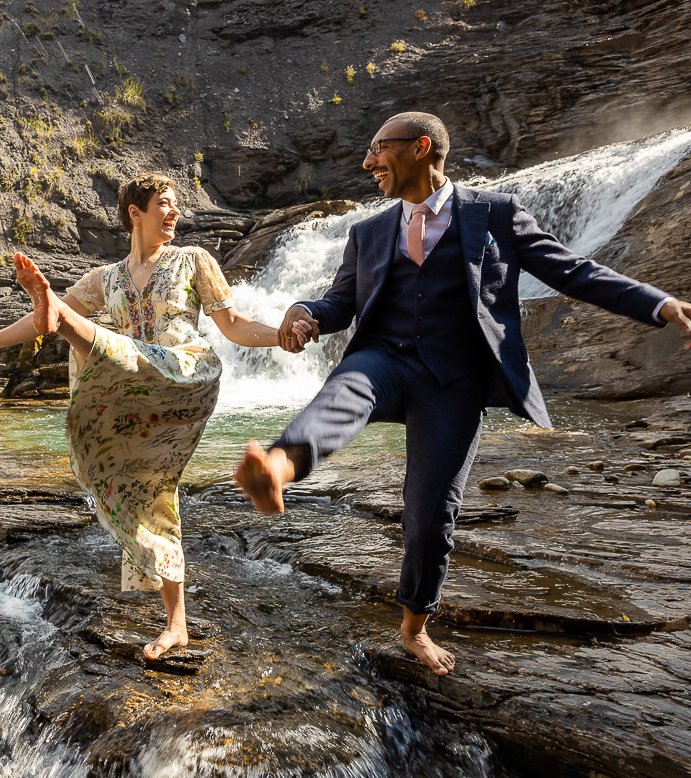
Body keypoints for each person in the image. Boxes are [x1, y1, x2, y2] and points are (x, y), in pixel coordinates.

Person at [235, 111, 691, 676]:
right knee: (344, 393)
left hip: (455, 382)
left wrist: (658, 303)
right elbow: (339, 304)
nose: (367, 161)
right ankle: (277, 469)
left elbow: (572, 271)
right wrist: (303, 314)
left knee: (429, 517)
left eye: (379, 148)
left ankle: (415, 626)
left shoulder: (495, 213)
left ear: (421, 148)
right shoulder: (367, 232)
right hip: (385, 360)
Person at [0, 174, 297, 659]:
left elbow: (234, 325)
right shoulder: (106, 278)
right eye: (164, 204)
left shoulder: (193, 260)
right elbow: (31, 322)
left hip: (184, 376)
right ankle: (176, 625)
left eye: (176, 204)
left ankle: (63, 323)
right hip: (137, 401)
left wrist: (280, 335)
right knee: (147, 492)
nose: (174, 212)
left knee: (82, 330)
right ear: (135, 213)